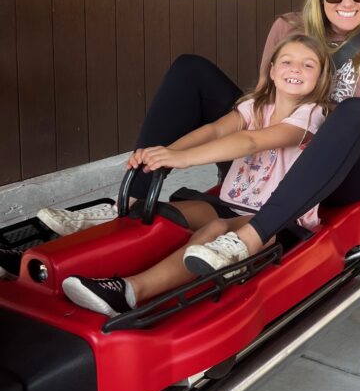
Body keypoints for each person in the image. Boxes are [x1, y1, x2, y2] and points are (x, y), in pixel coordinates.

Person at [42, 0, 360, 271]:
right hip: (273, 153)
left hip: (349, 169)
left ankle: (254, 235)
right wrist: (174, 154)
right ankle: (134, 199)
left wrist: (322, 129)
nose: (347, 1)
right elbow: (260, 101)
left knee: (352, 111)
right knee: (190, 69)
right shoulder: (288, 27)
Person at [60, 34, 333, 317]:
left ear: (321, 79)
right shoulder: (254, 106)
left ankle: (129, 291)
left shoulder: (312, 115)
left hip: (275, 219)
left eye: (308, 65)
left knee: (214, 231)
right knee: (157, 212)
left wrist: (183, 159)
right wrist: (162, 154)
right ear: (273, 70)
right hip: (231, 203)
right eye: (288, 61)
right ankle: (76, 261)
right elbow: (215, 130)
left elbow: (252, 142)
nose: (296, 69)